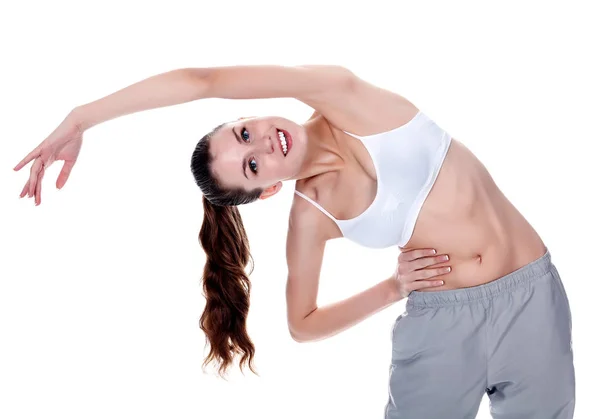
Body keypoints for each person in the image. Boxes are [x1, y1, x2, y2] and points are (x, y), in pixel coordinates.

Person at [13, 65, 575, 418]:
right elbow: (302, 323)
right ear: (266, 190)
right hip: (442, 328)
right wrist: (392, 288)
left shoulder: (340, 92)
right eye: (252, 164)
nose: (262, 142)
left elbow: (201, 82)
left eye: (243, 133)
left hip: (533, 297)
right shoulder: (311, 214)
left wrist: (82, 118)